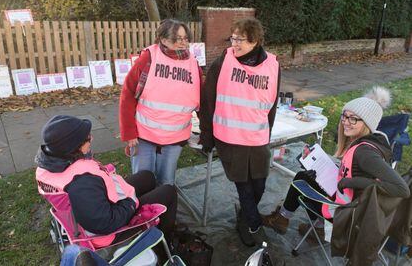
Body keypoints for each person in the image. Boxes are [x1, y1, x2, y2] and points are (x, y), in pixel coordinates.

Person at [262, 87, 410, 239]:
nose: (346, 122)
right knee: (308, 175)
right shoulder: (374, 141)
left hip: (345, 213)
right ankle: (318, 228)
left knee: (300, 180)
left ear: (367, 123)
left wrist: (351, 181)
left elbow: (402, 189)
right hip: (351, 201)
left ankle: (283, 219)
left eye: (353, 119)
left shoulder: (365, 153)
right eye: (345, 116)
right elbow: (356, 171)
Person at [35, 115, 177, 248]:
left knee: (147, 176)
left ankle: (152, 216)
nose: (92, 138)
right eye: (87, 138)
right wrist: (131, 203)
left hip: (92, 209)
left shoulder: (49, 167)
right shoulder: (82, 183)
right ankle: (165, 242)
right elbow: (105, 224)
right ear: (73, 148)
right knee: (169, 192)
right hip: (107, 232)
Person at [199, 18, 281, 247]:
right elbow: (207, 100)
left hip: (257, 138)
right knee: (243, 185)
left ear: (255, 41)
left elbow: (272, 104)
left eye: (240, 39)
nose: (234, 43)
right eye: (233, 38)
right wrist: (207, 135)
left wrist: (268, 131)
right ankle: (250, 223)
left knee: (260, 185)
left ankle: (246, 216)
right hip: (229, 138)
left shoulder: (273, 65)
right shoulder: (222, 62)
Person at [119, 19, 202, 185]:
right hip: (144, 136)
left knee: (166, 182)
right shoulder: (148, 58)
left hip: (174, 138)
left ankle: (163, 211)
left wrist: (205, 130)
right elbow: (128, 95)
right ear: (163, 40)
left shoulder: (193, 63)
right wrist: (129, 132)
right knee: (143, 182)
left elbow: (202, 98)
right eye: (177, 38)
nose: (183, 43)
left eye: (185, 38)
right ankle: (141, 211)